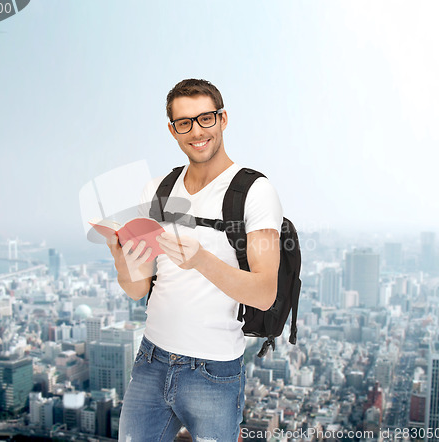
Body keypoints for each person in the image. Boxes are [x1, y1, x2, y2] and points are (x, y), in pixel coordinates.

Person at [108, 79, 283, 442]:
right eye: (185, 122)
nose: (197, 131)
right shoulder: (156, 191)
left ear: (223, 119)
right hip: (151, 360)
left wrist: (201, 259)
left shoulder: (254, 192)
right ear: (173, 130)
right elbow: (139, 288)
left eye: (206, 118)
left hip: (214, 370)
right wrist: (122, 261)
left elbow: (265, 292)